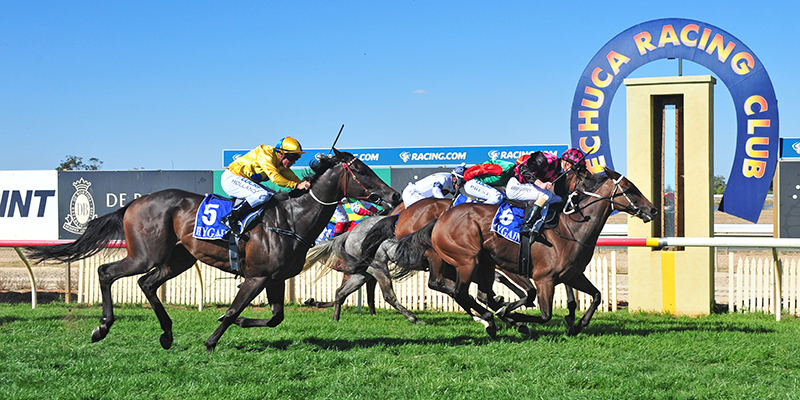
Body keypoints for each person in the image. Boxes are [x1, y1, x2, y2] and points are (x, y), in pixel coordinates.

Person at [220, 136, 311, 235]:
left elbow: (295, 180)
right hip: (231, 178)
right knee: (261, 195)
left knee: (272, 196)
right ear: (281, 154)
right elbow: (275, 178)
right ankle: (231, 218)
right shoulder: (266, 154)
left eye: (297, 158)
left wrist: (305, 184)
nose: (294, 162)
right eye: (292, 157)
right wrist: (296, 186)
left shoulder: (280, 164)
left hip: (242, 180)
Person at [506, 151, 562, 237]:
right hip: (515, 186)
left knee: (558, 199)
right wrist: (541, 184)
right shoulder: (546, 159)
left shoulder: (559, 172)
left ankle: (541, 226)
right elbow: (523, 169)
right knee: (546, 195)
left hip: (526, 188)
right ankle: (527, 225)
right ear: (567, 164)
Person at [401, 165, 466, 207]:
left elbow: (459, 197)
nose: (462, 186)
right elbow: (435, 191)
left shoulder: (452, 182)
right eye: (463, 183)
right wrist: (446, 203)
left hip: (418, 195)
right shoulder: (444, 179)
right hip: (412, 194)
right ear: (455, 179)